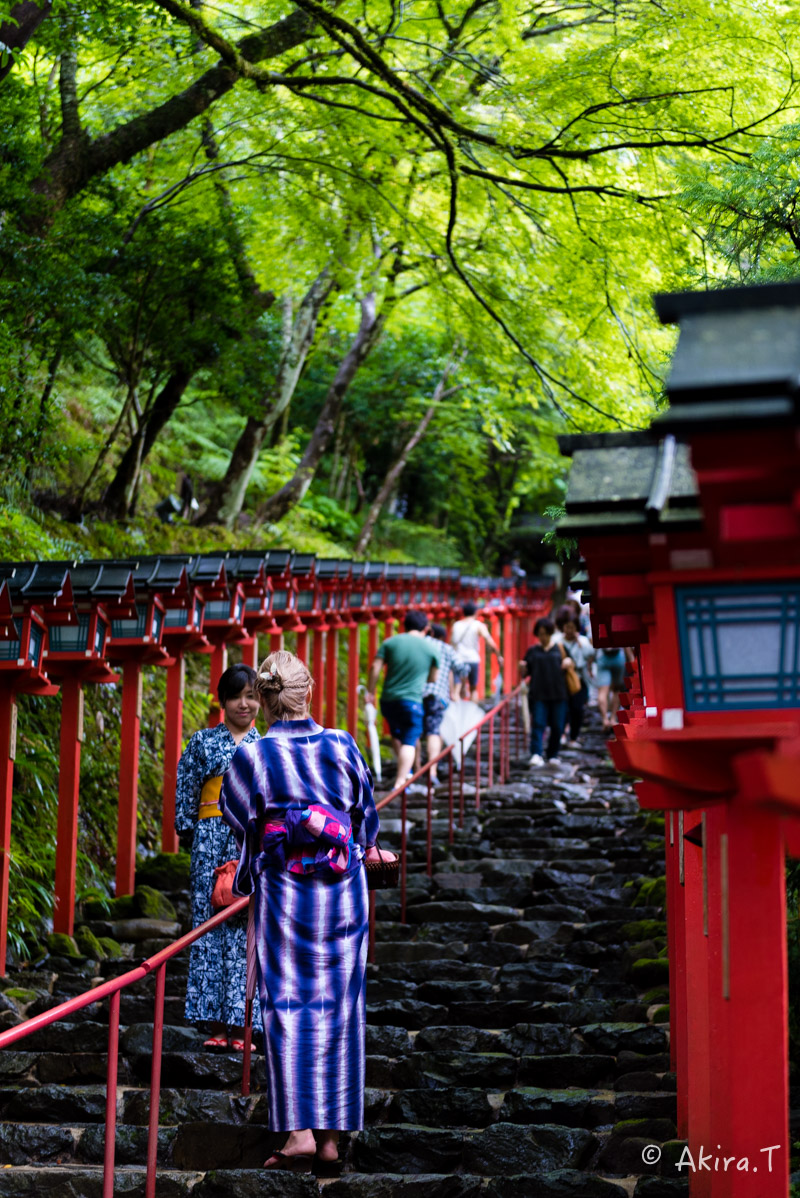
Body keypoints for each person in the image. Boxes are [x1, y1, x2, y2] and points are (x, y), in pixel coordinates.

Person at [220, 651, 388, 1175]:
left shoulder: (251, 756)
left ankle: (298, 1134)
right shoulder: (342, 744)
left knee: (288, 1008)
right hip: (343, 893)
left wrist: (246, 878)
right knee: (340, 1007)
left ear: (266, 700)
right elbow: (364, 822)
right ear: (307, 692)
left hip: (287, 896)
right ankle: (334, 1137)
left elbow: (245, 827)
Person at [175, 663, 260, 1051]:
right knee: (210, 928)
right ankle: (217, 1026)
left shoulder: (267, 745)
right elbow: (186, 794)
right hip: (209, 841)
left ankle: (245, 1027)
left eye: (252, 696)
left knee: (248, 931)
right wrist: (193, 838)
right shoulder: (202, 743)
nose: (244, 704)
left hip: (252, 844)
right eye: (236, 696)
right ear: (222, 700)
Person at [365, 610, 440, 789]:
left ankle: (406, 772)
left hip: (388, 700)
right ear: (426, 628)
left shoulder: (390, 643)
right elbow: (433, 679)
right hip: (412, 701)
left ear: (404, 625)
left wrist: (370, 691)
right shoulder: (431, 648)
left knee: (396, 735)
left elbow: (375, 667)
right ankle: (401, 780)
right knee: (410, 740)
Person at [521, 616, 570, 767]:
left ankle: (553, 754)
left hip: (558, 693)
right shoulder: (532, 651)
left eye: (545, 633)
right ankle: (536, 753)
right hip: (538, 694)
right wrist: (522, 667)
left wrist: (569, 662)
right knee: (538, 724)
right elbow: (525, 673)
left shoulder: (560, 648)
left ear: (550, 633)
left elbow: (570, 663)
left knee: (557, 726)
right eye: (540, 634)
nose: (542, 637)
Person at [422, 623, 465, 785]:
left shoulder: (420, 644)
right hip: (437, 694)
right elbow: (462, 668)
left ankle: (417, 768)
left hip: (415, 693)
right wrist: (457, 690)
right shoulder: (446, 648)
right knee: (434, 731)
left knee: (416, 732)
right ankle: (431, 772)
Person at [553, 605, 594, 746]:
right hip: (561, 681)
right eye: (567, 627)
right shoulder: (557, 641)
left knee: (577, 709)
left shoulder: (582, 641)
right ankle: (561, 734)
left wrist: (580, 643)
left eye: (572, 627)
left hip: (578, 681)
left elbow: (591, 655)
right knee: (562, 709)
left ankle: (573, 737)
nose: (569, 630)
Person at [450, 601, 503, 699]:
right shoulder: (478, 625)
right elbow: (489, 641)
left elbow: (452, 644)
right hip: (472, 659)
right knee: (473, 689)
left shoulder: (456, 625)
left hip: (458, 660)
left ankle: (458, 711)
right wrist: (498, 655)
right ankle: (472, 712)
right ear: (475, 612)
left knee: (457, 689)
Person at [596, 645, 633, 730]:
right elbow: (625, 643)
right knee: (617, 690)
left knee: (602, 692)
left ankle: (605, 719)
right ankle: (613, 719)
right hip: (618, 657)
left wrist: (589, 664)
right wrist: (631, 658)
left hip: (602, 657)